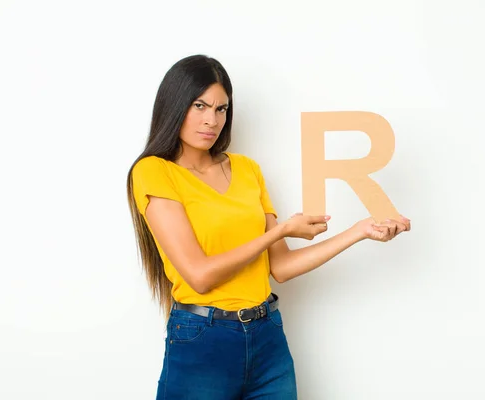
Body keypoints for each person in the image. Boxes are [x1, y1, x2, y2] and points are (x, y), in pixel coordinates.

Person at [126, 54, 411, 400]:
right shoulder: (154, 172)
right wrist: (279, 231)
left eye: (221, 109)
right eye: (199, 106)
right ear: (175, 105)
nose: (211, 120)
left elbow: (282, 267)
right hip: (202, 341)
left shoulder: (247, 169)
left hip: (267, 339)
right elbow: (199, 275)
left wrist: (359, 230)